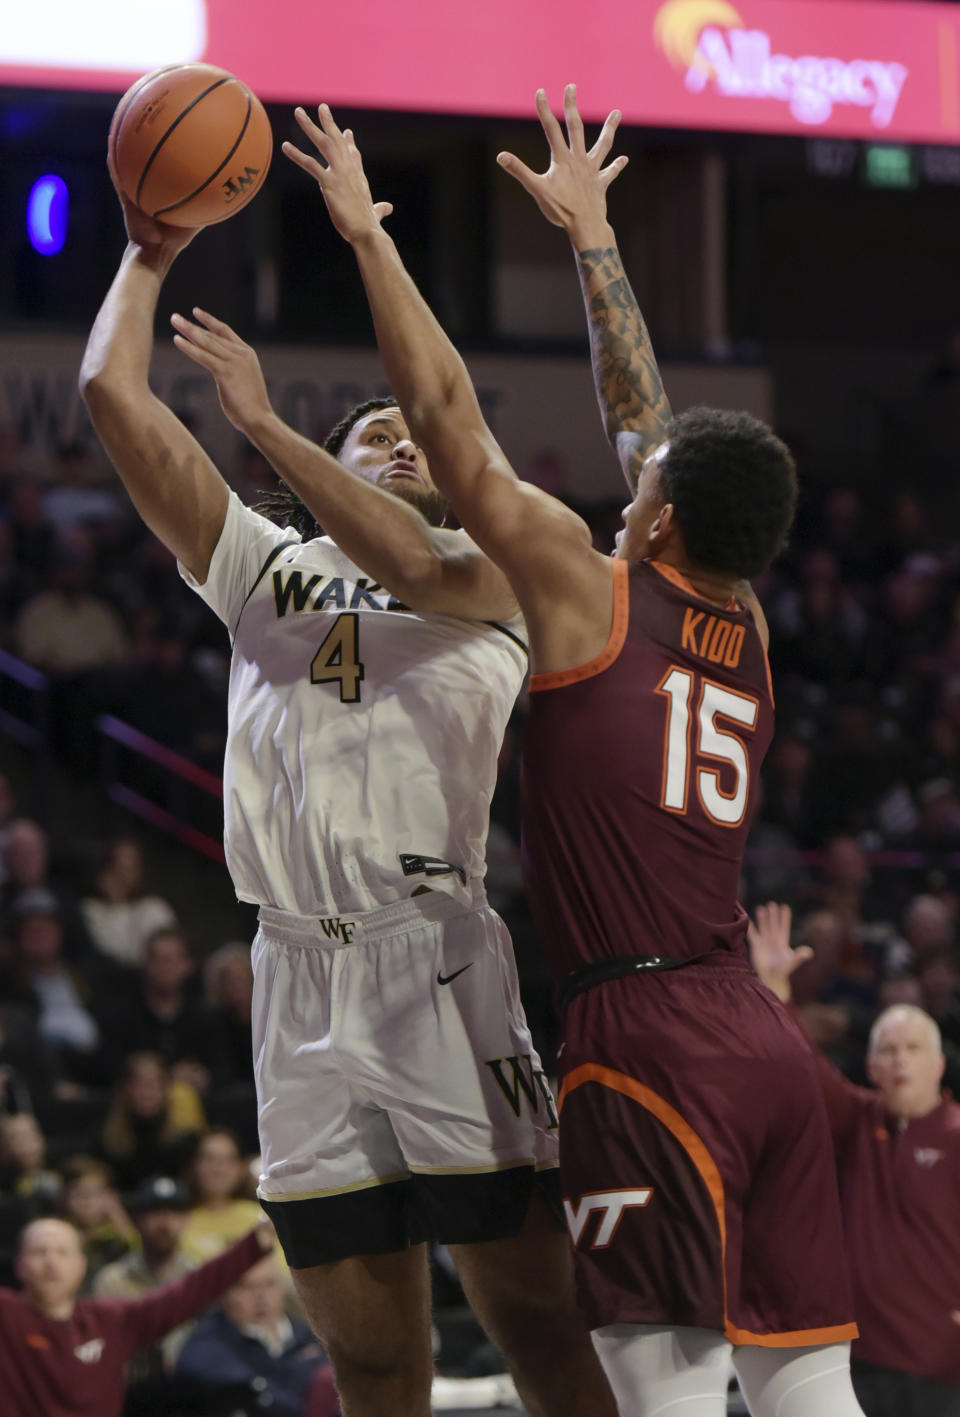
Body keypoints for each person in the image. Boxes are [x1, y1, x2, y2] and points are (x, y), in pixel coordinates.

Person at [290, 88, 865, 1415]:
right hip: (763, 1044)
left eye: (647, 480)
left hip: (646, 1033)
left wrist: (371, 241)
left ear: (657, 515)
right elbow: (648, 417)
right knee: (808, 1389)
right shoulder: (750, 622)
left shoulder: (587, 591)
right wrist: (597, 239)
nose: (635, 475)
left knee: (659, 1394)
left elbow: (443, 416)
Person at [78, 131, 617, 1417]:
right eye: (371, 432)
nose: (397, 442)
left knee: (536, 1317)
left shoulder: (495, 580)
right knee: (370, 1358)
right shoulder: (268, 564)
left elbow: (426, 544)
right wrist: (150, 251)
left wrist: (267, 422)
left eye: (407, 436)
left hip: (431, 954)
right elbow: (112, 395)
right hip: (290, 971)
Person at [749, 902, 960, 1417]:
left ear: (938, 1064)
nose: (900, 1060)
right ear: (871, 1065)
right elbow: (805, 1067)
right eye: (888, 1050)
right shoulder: (859, 1121)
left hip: (944, 1365)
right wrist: (776, 989)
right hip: (857, 1363)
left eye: (912, 1048)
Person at [0, 1212, 273, 1417]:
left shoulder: (109, 1321)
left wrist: (253, 1245)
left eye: (62, 1252)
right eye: (39, 1252)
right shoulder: (7, 1314)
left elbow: (186, 1294)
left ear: (81, 1265)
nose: (51, 1262)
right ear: (20, 1265)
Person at [175, 1252, 336, 1417]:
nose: (261, 1297)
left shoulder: (312, 1336)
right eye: (246, 1287)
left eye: (269, 1284)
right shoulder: (207, 1346)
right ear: (224, 1292)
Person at [93, 1175, 197, 1387]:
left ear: (186, 1220)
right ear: (137, 1220)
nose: (165, 1223)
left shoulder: (198, 1276)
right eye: (155, 1213)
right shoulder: (112, 1279)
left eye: (174, 1213)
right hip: (132, 1388)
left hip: (192, 1388)